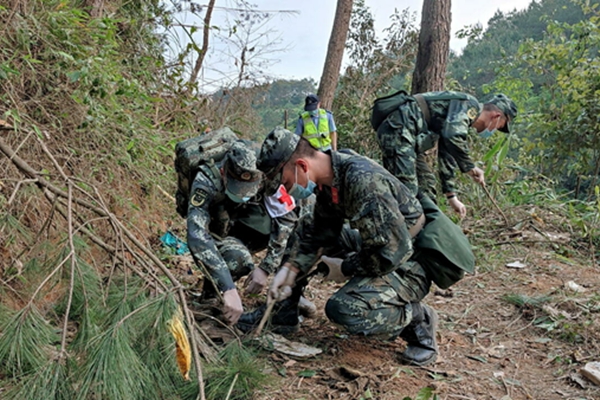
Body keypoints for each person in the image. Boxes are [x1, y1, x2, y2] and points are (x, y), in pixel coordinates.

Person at [238, 128, 474, 366]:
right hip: (380, 242)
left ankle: (418, 320)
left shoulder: (362, 181)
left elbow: (389, 254)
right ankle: (283, 313)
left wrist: (345, 267)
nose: (286, 190)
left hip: (411, 259)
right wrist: (291, 269)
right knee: (304, 230)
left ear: (301, 165)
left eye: (285, 181)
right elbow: (321, 231)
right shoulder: (330, 176)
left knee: (346, 309)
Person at [187, 140, 308, 325]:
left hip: (245, 225)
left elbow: (286, 221)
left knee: (302, 225)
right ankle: (212, 293)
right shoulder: (206, 180)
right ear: (223, 172)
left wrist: (266, 268)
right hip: (217, 230)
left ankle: (287, 300)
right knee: (237, 258)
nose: (243, 194)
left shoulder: (268, 175)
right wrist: (228, 288)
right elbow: (197, 236)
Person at [373, 91, 517, 218]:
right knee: (406, 191)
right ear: (496, 116)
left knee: (427, 184)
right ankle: (395, 238)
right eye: (501, 125)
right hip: (399, 131)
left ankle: (428, 232)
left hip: (408, 137)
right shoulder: (469, 104)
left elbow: (447, 152)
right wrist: (470, 167)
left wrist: (452, 196)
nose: (496, 129)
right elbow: (452, 136)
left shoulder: (460, 119)